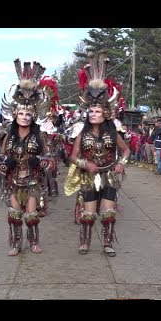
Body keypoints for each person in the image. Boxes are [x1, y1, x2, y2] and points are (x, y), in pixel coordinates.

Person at [66, 51, 130, 257]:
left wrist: (122, 163)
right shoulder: (80, 131)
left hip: (109, 175)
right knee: (88, 214)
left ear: (106, 113)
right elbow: (73, 157)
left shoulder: (113, 130)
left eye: (98, 111)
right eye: (91, 111)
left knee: (109, 214)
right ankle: (84, 242)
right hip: (89, 177)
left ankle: (108, 243)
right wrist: (85, 164)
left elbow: (126, 149)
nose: (93, 114)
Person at [0, 59, 56, 256]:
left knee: (31, 216)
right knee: (14, 216)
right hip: (13, 180)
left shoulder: (39, 135)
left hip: (32, 180)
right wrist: (6, 164)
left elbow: (49, 158)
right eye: (21, 113)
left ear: (33, 116)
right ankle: (15, 243)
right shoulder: (8, 134)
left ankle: (34, 242)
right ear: (14, 114)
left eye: (28, 113)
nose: (24, 116)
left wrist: (38, 161)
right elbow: (1, 158)